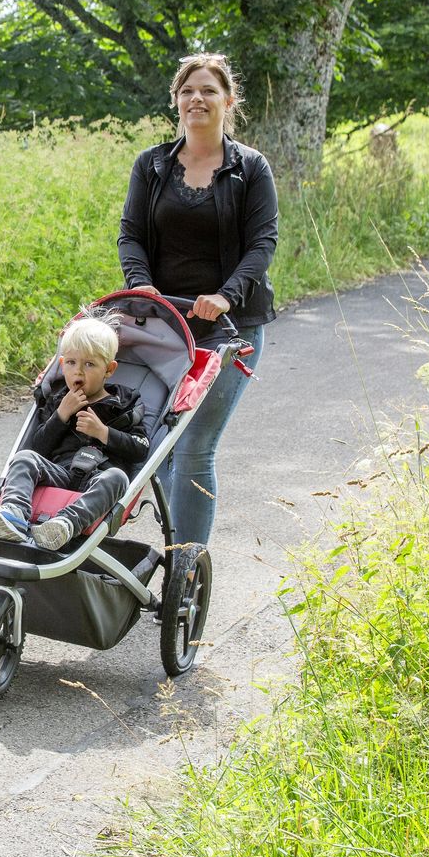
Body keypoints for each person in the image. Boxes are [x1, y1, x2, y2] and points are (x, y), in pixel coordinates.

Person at [117, 52, 278, 547]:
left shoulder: (250, 168)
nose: (197, 99)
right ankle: (170, 553)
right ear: (176, 101)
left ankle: (185, 569)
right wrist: (140, 285)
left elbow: (262, 244)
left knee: (192, 448)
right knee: (157, 444)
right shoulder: (152, 165)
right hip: (163, 326)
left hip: (229, 331)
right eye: (188, 91)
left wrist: (226, 296)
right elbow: (131, 234)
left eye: (208, 90)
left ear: (228, 101)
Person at [0, 315, 156, 549]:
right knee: (24, 458)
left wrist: (103, 432)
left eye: (89, 364)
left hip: (99, 476)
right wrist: (61, 416)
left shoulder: (125, 402)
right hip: (60, 472)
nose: (78, 372)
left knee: (117, 478)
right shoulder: (58, 400)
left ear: (109, 369)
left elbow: (141, 448)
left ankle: (65, 524)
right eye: (71, 363)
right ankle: (14, 513)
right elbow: (36, 447)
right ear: (62, 364)